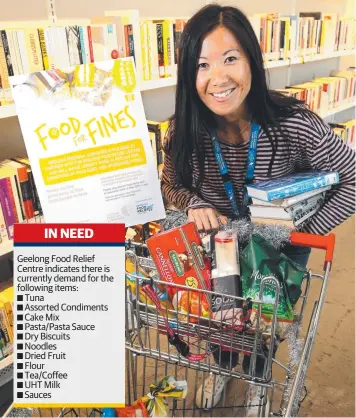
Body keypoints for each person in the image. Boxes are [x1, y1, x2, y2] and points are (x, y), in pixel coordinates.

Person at [160, 3, 356, 416]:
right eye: (202, 65)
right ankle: (223, 367)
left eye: (230, 58)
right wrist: (193, 204)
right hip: (220, 249)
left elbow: (352, 177)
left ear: (252, 59)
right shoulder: (183, 128)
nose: (218, 78)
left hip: (281, 247)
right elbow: (171, 184)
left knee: (264, 326)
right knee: (218, 319)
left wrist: (294, 230)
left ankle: (258, 382)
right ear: (187, 75)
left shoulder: (295, 124)